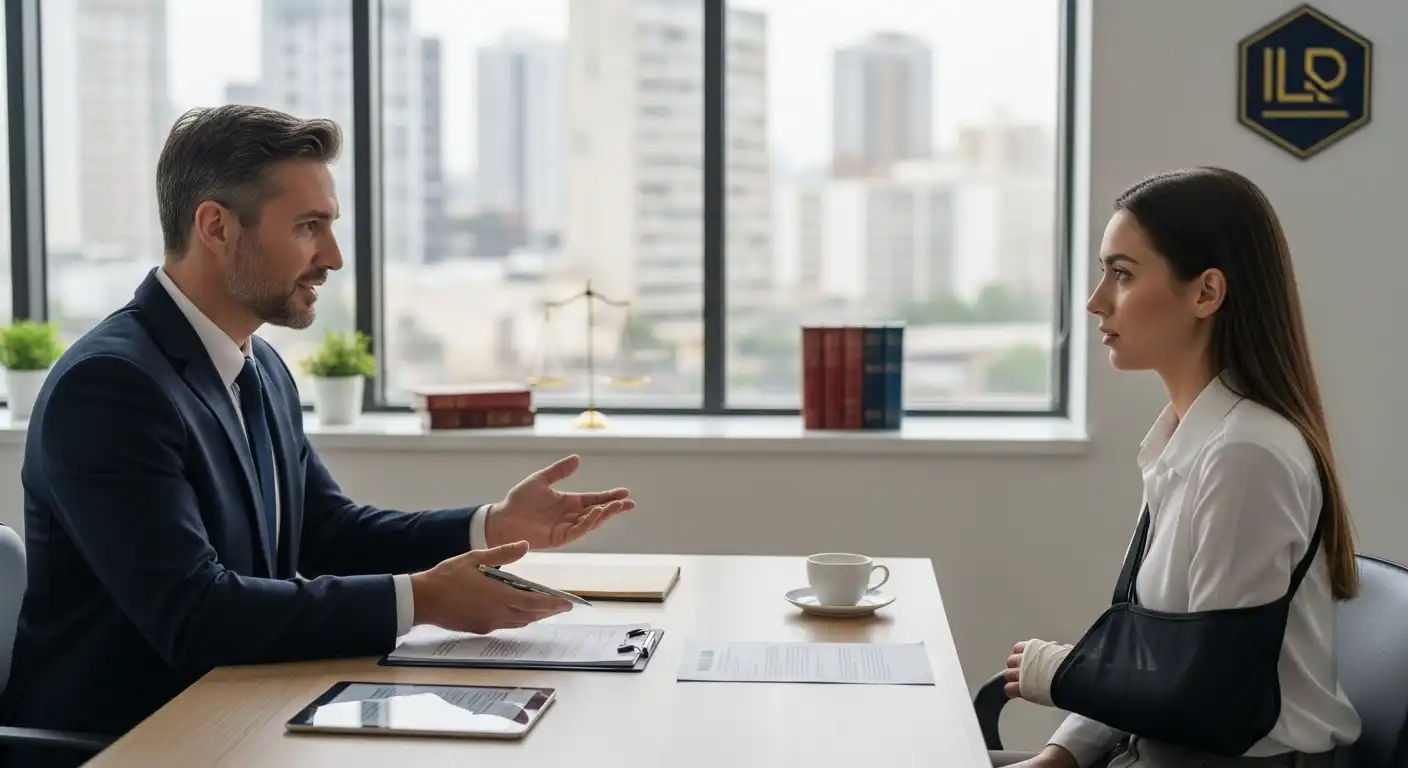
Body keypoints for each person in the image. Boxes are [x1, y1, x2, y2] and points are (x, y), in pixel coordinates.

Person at [0, 105, 635, 767]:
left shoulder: (259, 364)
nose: (331, 257)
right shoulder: (110, 387)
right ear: (216, 226)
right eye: (309, 227)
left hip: (242, 715)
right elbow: (194, 613)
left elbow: (325, 530)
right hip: (131, 745)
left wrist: (491, 525)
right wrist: (420, 599)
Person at [990, 168, 1361, 768]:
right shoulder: (1188, 439)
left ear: (1206, 293)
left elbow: (1211, 695)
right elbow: (1156, 660)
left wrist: (1060, 671)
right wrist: (1059, 756)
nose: (1096, 301)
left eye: (1123, 274)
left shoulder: (1246, 455)